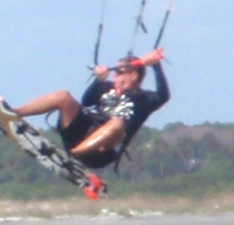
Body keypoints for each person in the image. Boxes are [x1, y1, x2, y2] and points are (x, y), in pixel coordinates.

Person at [13, 48, 170, 170]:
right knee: (63, 96)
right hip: (80, 132)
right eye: (114, 74)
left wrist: (155, 65)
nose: (114, 77)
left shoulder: (144, 99)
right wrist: (98, 81)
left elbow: (164, 95)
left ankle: (74, 154)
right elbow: (86, 102)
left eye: (119, 73)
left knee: (117, 124)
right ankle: (14, 113)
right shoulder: (106, 88)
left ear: (134, 76)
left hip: (100, 150)